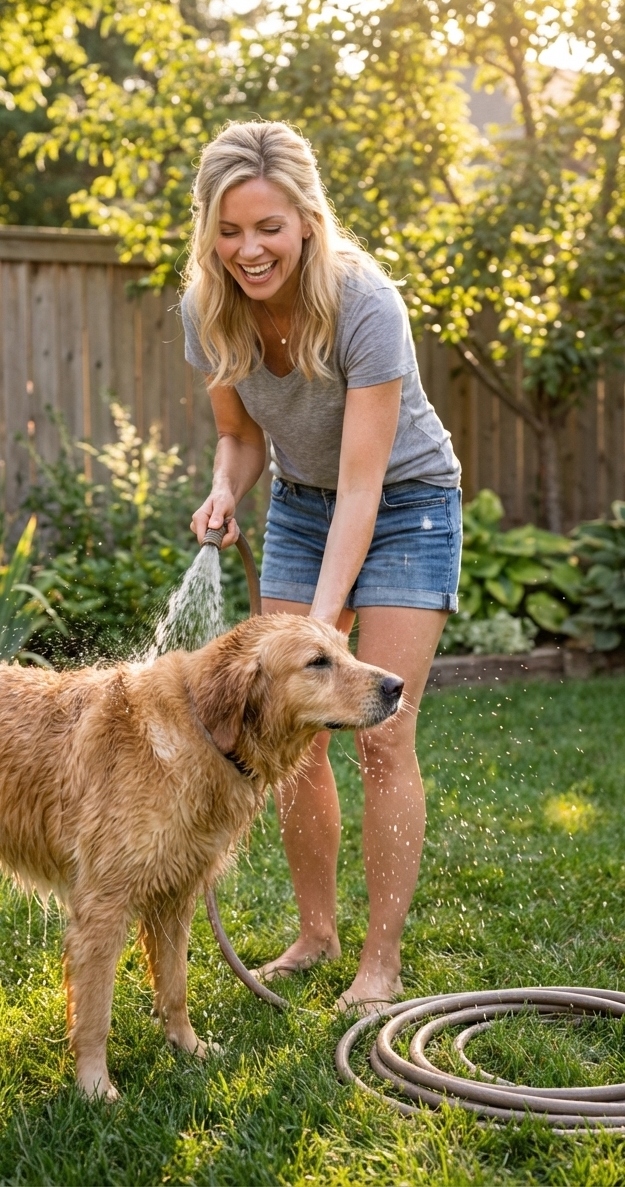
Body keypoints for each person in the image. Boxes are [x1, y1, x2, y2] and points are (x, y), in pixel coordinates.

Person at [183, 121, 461, 1012]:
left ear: (305, 218)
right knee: (294, 738)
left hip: (406, 504)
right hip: (302, 507)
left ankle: (380, 963)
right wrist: (226, 490)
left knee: (379, 731)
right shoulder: (207, 308)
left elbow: (363, 481)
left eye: (267, 227)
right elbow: (237, 436)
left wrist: (318, 633)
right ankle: (315, 932)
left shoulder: (363, 303)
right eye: (228, 230)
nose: (247, 249)